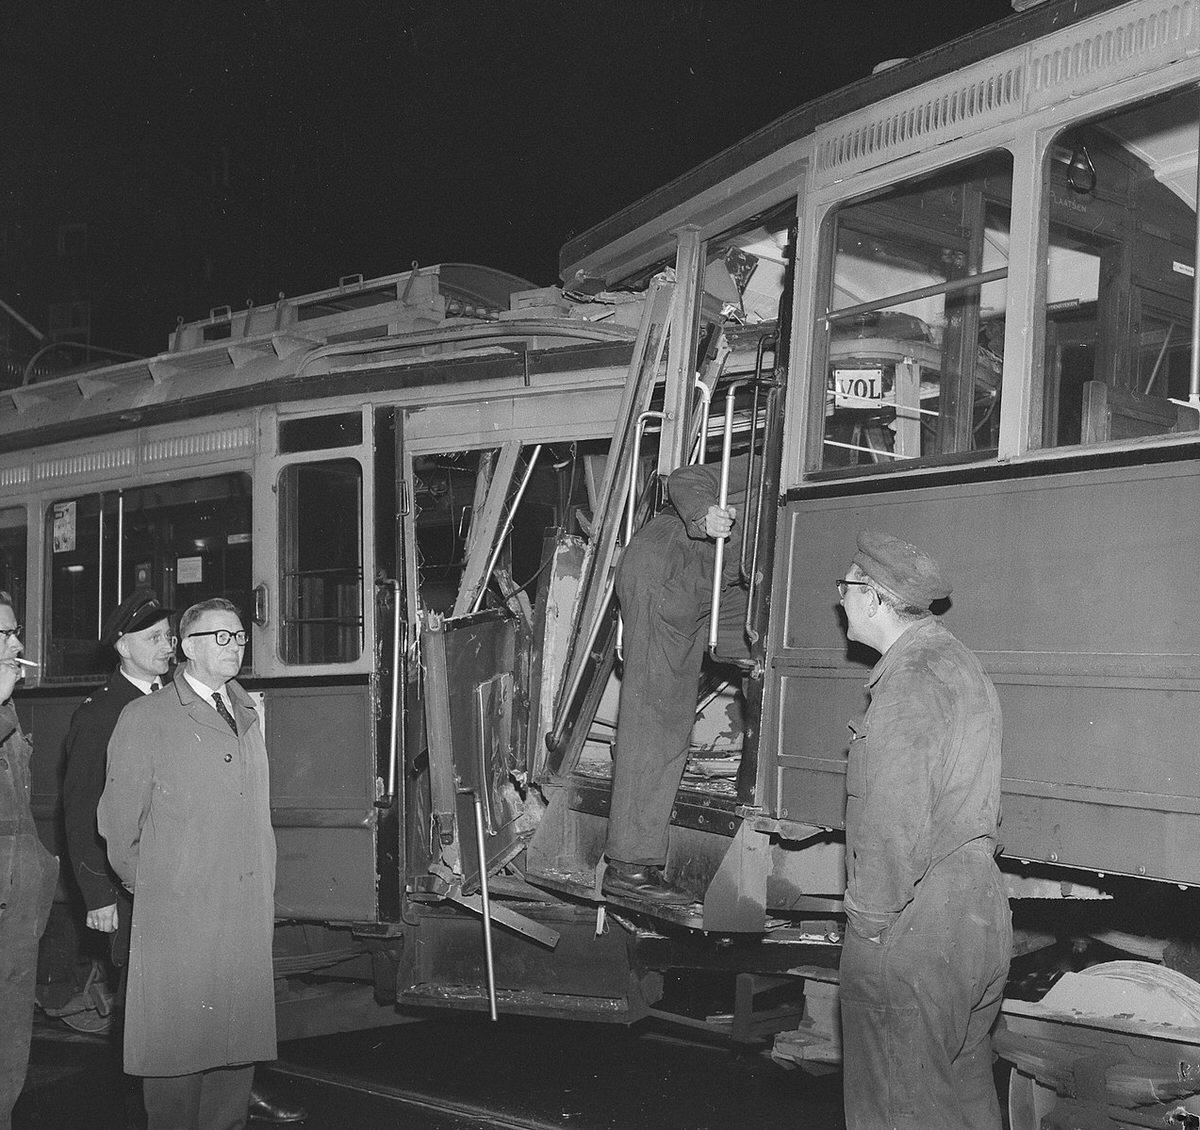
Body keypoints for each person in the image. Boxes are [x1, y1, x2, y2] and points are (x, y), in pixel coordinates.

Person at [63, 589, 305, 1124]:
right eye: (219, 636)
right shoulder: (146, 717)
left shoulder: (245, 710)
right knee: (177, 1061)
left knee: (234, 1056)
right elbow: (117, 825)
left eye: (239, 635)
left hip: (242, 909)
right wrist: (158, 883)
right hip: (180, 912)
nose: (234, 645)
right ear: (185, 649)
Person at [836, 531, 1011, 1130]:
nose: (841, 600)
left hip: (917, 923)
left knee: (896, 1110)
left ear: (878, 600)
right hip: (977, 914)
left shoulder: (910, 680)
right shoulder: (956, 661)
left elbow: (893, 818)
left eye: (849, 587)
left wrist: (870, 928)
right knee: (961, 1103)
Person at [603, 454, 754, 905]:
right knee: (659, 714)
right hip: (671, 565)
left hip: (720, 584)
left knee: (771, 646)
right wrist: (704, 515)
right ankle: (629, 865)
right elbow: (687, 477)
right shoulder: (779, 458)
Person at [0, 594, 58, 1130]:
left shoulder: (8, 709)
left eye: (16, 633)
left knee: (11, 1033)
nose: (19, 646)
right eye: (5, 636)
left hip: (15, 903)